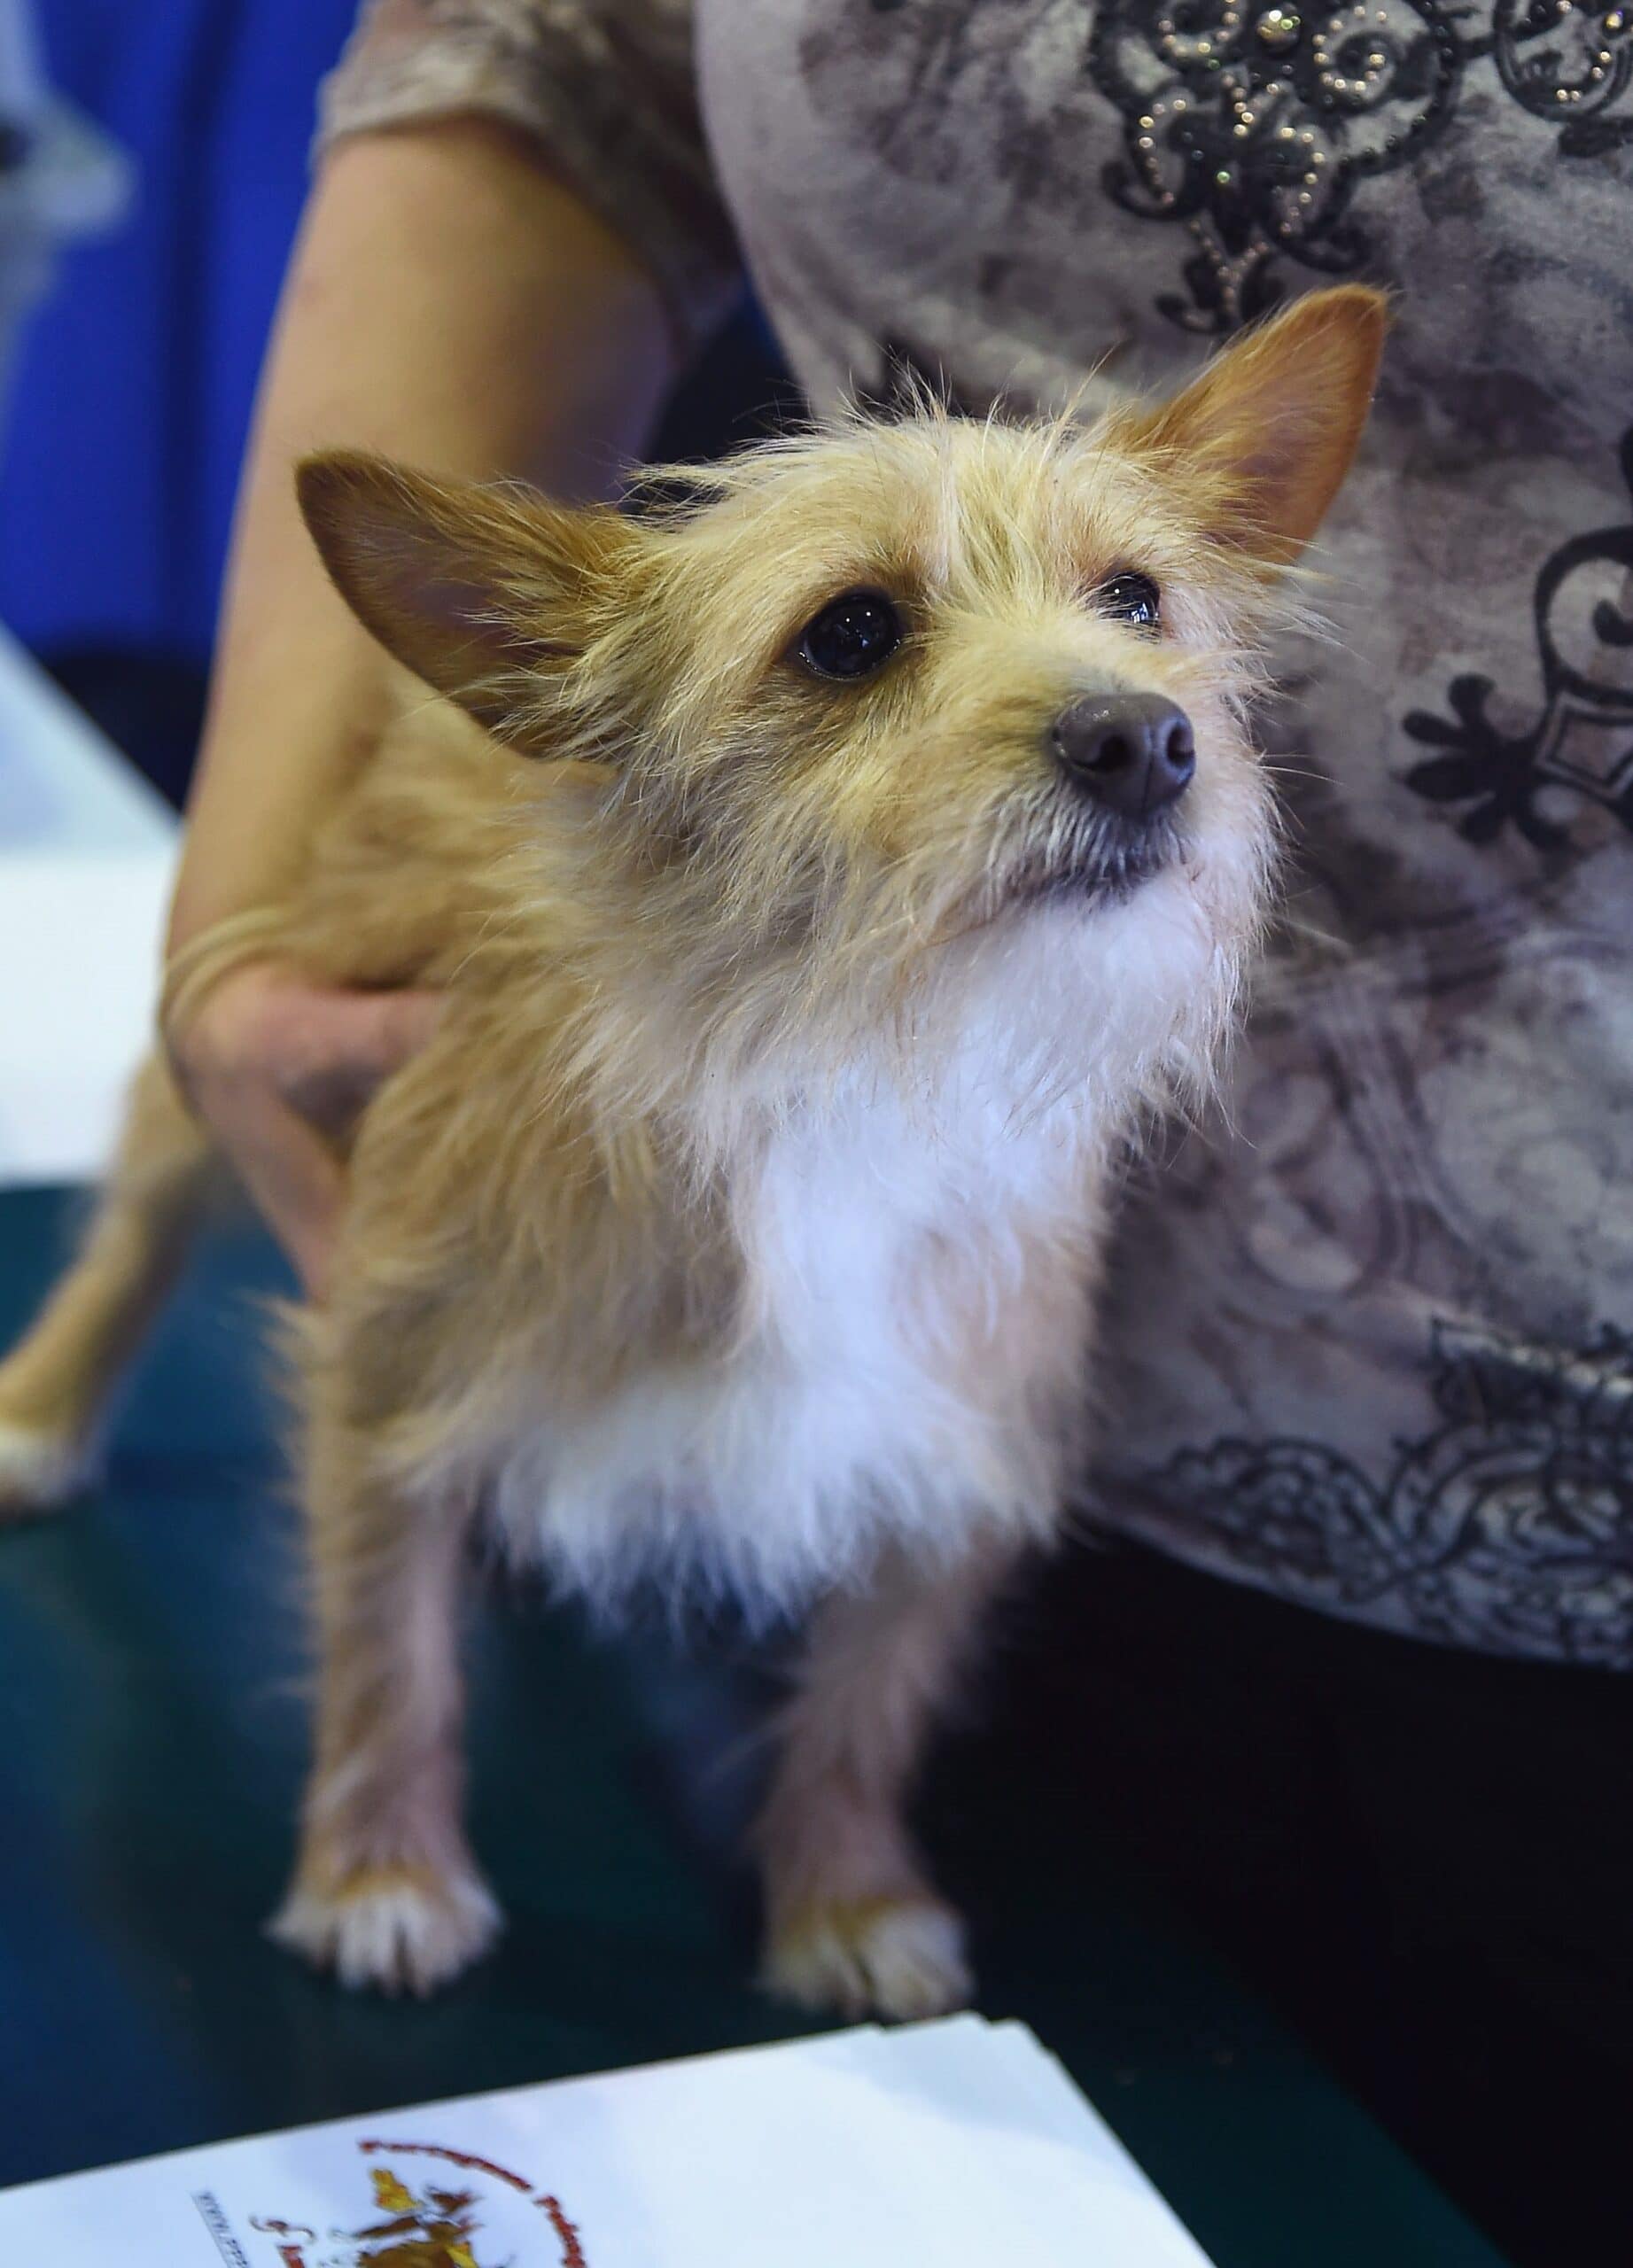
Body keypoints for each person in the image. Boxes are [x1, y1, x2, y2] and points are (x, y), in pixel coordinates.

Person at [163, 4, 1633, 2256]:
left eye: (1142, 601)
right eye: (857, 638)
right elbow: (536, 54)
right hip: (706, 1165)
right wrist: (239, 912)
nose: (1118, 705)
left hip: (1545, 1661)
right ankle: (123, 1425)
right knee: (281, 1275)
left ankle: (839, 1828)